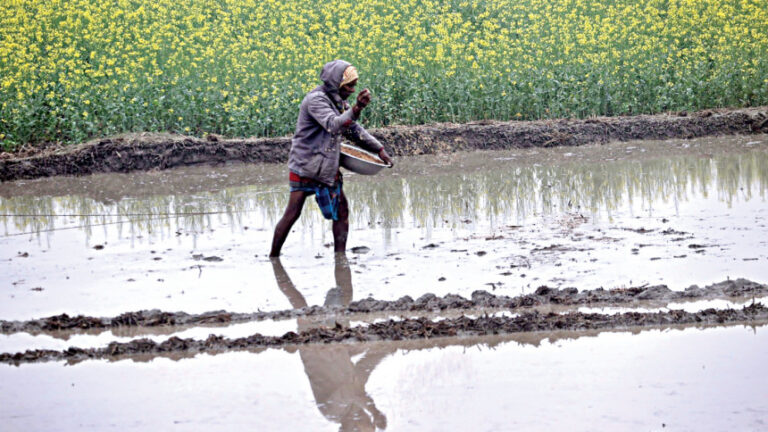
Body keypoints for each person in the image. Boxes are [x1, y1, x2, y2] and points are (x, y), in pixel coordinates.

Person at [269, 59, 393, 257]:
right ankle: (273, 256)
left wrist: (379, 149)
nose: (353, 90)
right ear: (337, 84)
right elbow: (334, 124)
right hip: (306, 164)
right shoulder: (316, 100)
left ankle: (340, 258)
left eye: (354, 85)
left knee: (342, 211)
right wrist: (356, 109)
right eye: (349, 85)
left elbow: (352, 129)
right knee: (292, 213)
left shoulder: (337, 101)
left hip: (326, 165)